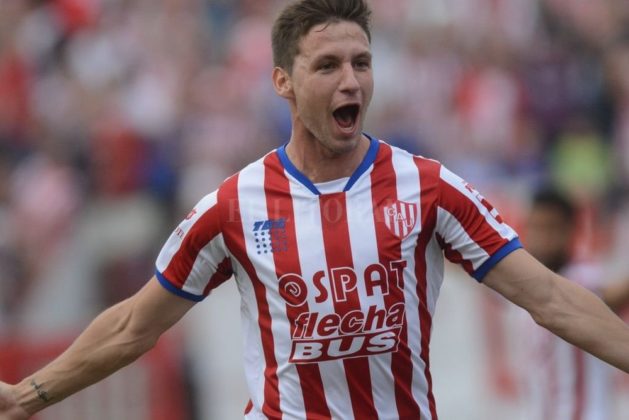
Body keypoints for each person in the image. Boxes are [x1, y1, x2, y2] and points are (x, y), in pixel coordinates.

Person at [1, 1, 629, 419]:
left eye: (361, 63)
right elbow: (134, 325)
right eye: (327, 65)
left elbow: (551, 296)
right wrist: (28, 396)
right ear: (284, 81)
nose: (350, 81)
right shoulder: (234, 205)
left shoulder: (429, 188)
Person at [521, 188, 629, 420]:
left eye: (551, 228)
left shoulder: (582, 276)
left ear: (570, 230)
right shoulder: (522, 281)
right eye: (536, 227)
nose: (543, 238)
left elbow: (612, 296)